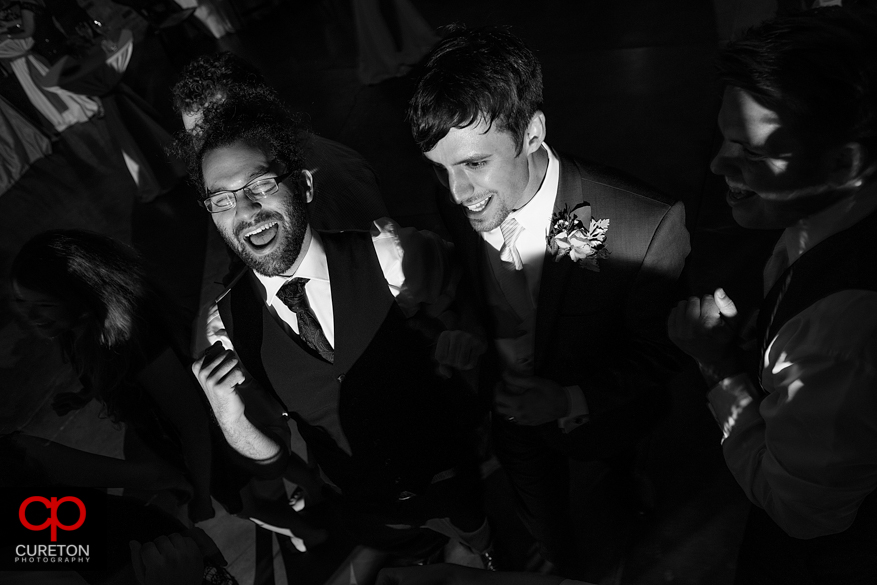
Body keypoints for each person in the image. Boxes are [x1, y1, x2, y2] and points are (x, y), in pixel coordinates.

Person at [407, 27, 691, 572]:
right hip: (508, 409)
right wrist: (465, 331)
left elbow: (663, 349)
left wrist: (568, 401)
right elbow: (476, 289)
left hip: (599, 413)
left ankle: (626, 484)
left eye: (473, 164)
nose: (458, 193)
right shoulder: (455, 199)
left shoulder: (645, 225)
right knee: (545, 518)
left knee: (619, 472)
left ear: (533, 132)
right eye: (440, 169)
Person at [185, 95, 492, 560]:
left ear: (304, 186)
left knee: (483, 543)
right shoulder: (226, 328)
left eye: (261, 185)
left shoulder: (390, 256)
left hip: (450, 473)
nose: (245, 210)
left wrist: (464, 336)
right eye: (222, 200)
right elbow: (269, 460)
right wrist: (228, 418)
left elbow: (478, 295)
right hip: (362, 504)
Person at [667, 7, 877, 584]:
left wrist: (716, 364)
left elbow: (801, 510)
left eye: (752, 153)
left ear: (845, 163)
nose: (717, 164)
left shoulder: (844, 330)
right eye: (724, 139)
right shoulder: (824, 213)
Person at [10, 229, 219, 524]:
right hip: (153, 434)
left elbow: (192, 421)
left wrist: (203, 494)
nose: (31, 318)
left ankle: (304, 512)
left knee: (248, 505)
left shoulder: (135, 341)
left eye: (43, 306)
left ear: (81, 296)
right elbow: (109, 373)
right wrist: (85, 395)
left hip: (197, 446)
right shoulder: (73, 329)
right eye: (22, 305)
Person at [171, 51, 387, 231]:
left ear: (260, 111)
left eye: (220, 129)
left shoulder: (330, 182)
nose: (207, 148)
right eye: (196, 137)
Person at [0, 0, 99, 133]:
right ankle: (92, 103)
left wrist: (9, 35)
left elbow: (27, 32)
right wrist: (9, 24)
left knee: (66, 78)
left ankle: (92, 105)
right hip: (55, 39)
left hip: (47, 46)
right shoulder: (35, 2)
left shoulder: (26, 6)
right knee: (73, 74)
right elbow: (28, 19)